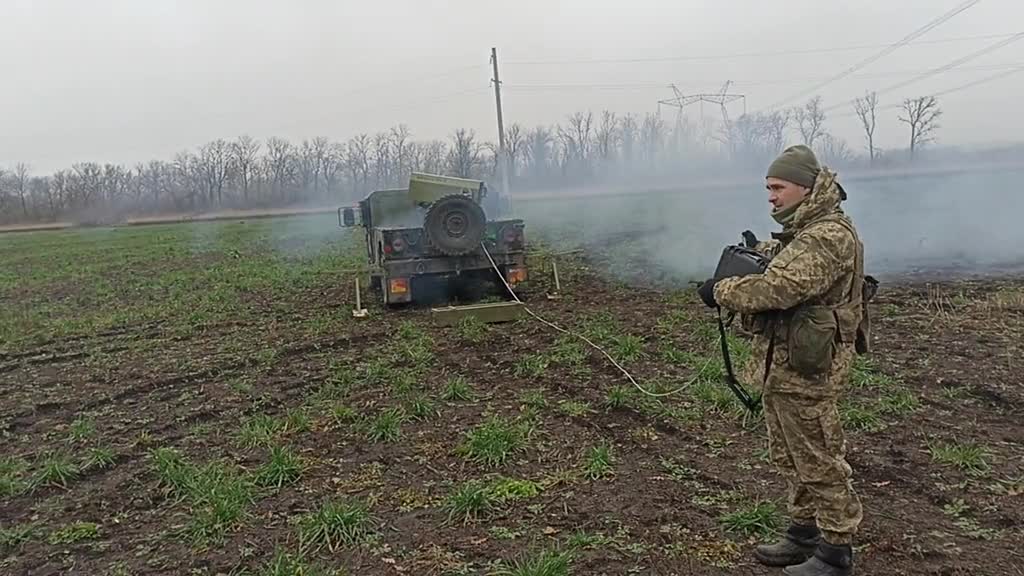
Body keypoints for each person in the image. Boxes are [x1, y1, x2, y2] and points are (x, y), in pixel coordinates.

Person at [698, 145, 866, 576]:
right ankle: (803, 533)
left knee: (818, 455)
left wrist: (720, 290)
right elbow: (788, 265)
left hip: (809, 368)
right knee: (790, 454)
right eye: (768, 188)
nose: (771, 197)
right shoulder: (804, 230)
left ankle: (835, 551)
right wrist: (763, 252)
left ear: (806, 188)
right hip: (787, 361)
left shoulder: (827, 235)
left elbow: (780, 290)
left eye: (778, 188)